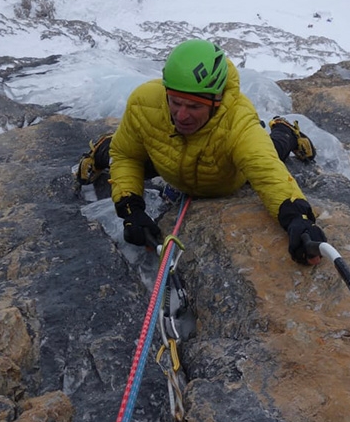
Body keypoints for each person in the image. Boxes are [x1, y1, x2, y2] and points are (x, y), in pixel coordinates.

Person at [75, 39, 327, 265]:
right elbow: (126, 154)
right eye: (175, 102)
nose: (182, 115)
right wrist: (131, 209)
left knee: (271, 150)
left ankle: (286, 132)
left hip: (227, 171)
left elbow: (266, 171)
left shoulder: (238, 119)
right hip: (169, 159)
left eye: (194, 106)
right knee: (118, 150)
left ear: (217, 101)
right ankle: (100, 149)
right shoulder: (145, 103)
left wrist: (299, 221)